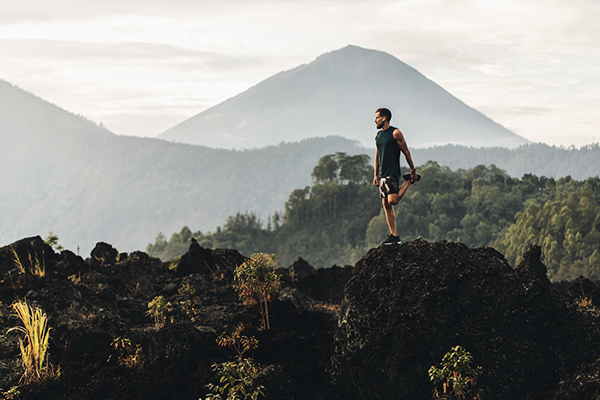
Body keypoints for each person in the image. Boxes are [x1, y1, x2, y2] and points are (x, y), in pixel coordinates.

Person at [373, 108, 418, 245]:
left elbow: (406, 152)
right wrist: (375, 174)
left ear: (384, 118)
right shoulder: (378, 136)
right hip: (382, 174)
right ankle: (394, 236)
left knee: (393, 201)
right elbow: (377, 155)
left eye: (377, 118)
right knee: (385, 203)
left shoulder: (395, 133)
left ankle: (408, 181)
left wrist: (412, 170)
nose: (375, 120)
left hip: (392, 171)